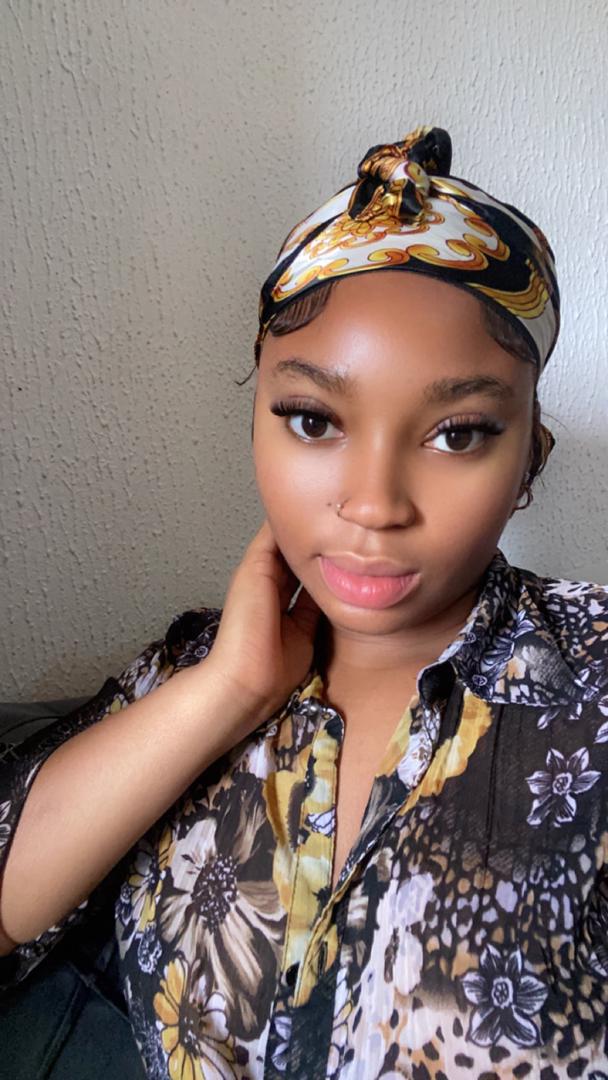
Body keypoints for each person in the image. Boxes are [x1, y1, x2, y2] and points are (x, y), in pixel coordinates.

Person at [1, 126, 607, 1080]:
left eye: (458, 434)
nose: (373, 503)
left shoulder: (595, 681)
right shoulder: (181, 677)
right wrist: (229, 690)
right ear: (256, 422)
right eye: (314, 420)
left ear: (529, 455)